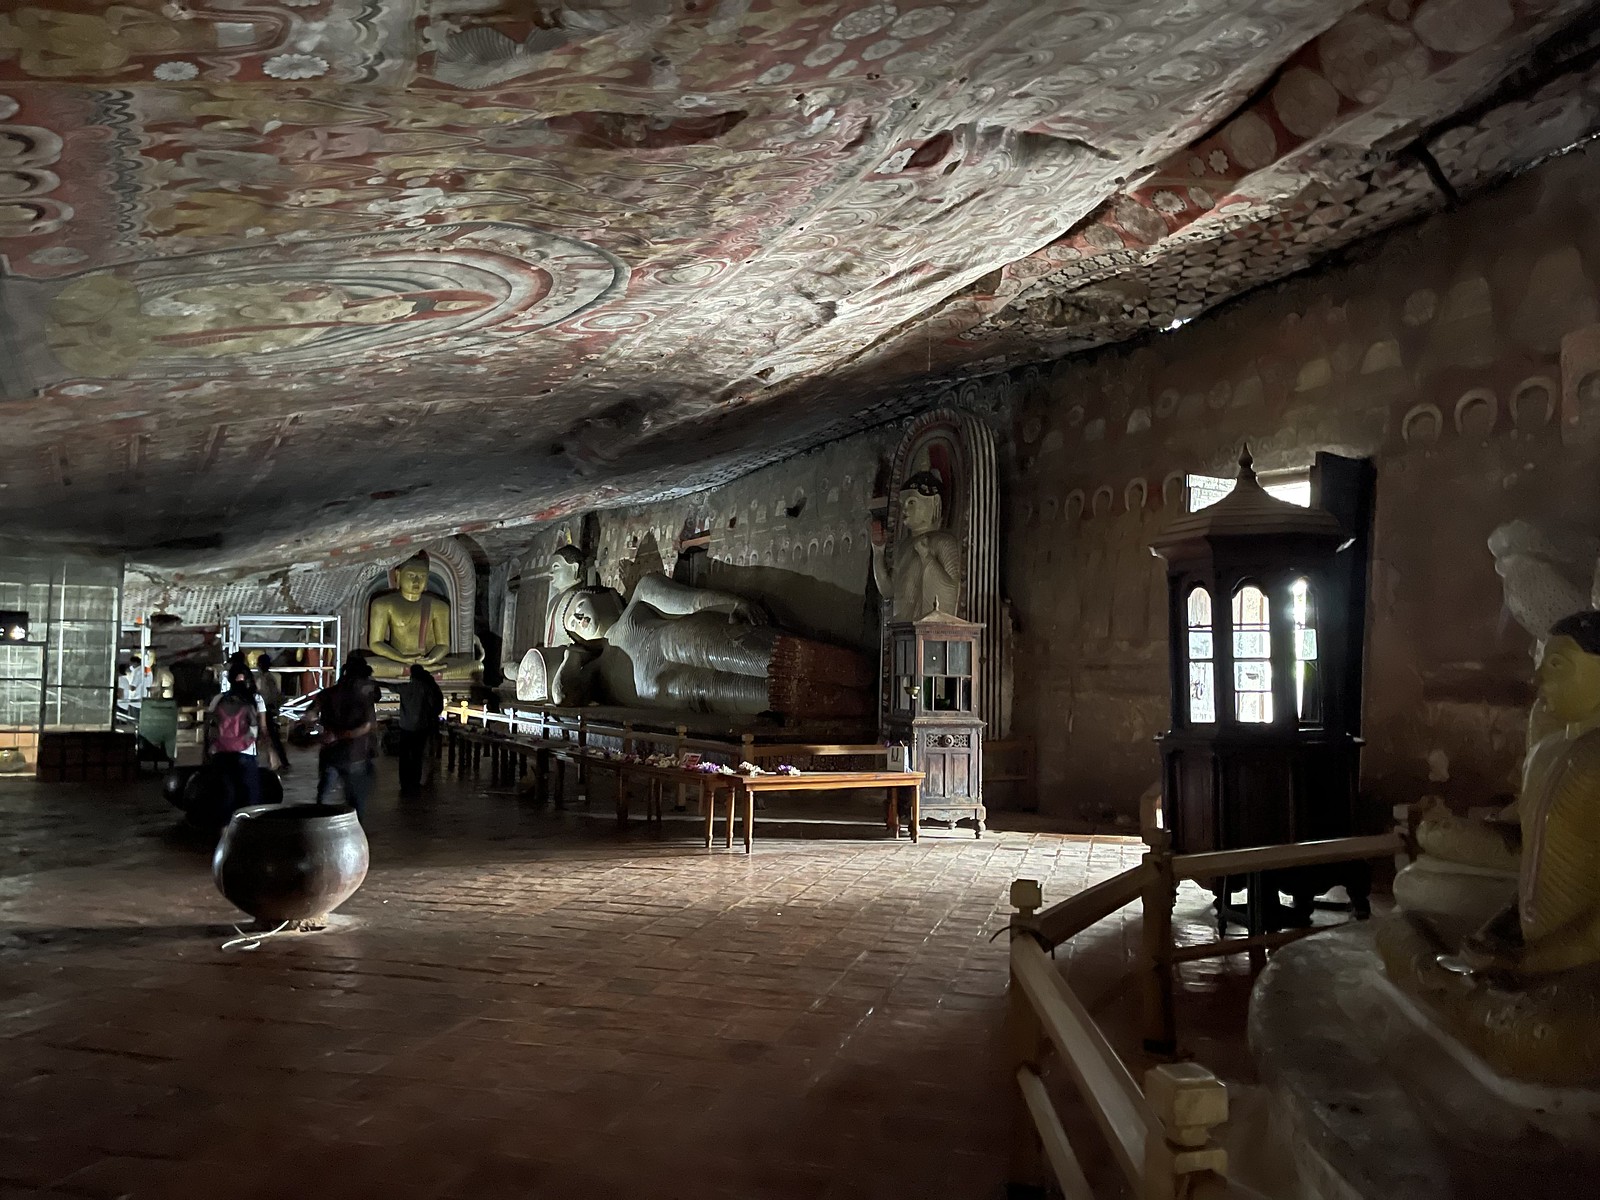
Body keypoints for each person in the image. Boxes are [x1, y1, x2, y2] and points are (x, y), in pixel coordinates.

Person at [305, 658, 376, 819]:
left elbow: (310, 714)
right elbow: (367, 726)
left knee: (324, 797)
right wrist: (342, 735)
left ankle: (317, 828)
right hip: (354, 755)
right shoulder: (362, 698)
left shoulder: (327, 694)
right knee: (355, 803)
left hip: (331, 753)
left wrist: (319, 731)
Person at [205, 665, 269, 816]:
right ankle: (246, 833)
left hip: (221, 752)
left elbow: (208, 726)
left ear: (229, 680)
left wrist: (206, 751)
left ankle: (225, 834)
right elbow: (263, 728)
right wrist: (270, 753)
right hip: (246, 753)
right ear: (248, 680)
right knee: (250, 798)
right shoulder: (255, 699)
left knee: (225, 799)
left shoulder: (218, 699)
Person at [395, 663, 444, 797]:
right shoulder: (429, 687)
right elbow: (436, 706)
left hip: (407, 726)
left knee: (406, 756)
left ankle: (406, 782)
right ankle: (415, 781)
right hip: (422, 726)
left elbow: (391, 686)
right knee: (417, 755)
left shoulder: (408, 687)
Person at [254, 652, 291, 773]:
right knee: (272, 738)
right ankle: (280, 761)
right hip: (270, 710)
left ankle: (275, 762)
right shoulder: (272, 678)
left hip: (264, 711)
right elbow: (276, 695)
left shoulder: (261, 679)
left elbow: (264, 696)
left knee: (268, 737)